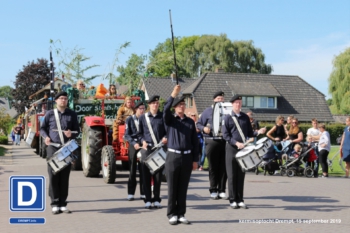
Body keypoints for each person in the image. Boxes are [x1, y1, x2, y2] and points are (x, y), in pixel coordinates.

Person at [222, 95, 266, 209]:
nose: (238, 104)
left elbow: (250, 133)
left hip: (243, 149)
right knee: (231, 175)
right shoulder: (227, 118)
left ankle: (240, 199)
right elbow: (225, 135)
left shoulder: (245, 117)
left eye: (240, 102)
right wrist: (236, 143)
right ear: (232, 104)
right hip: (232, 148)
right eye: (236, 102)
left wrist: (258, 132)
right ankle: (232, 200)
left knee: (241, 175)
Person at [40, 91, 80, 214]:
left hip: (66, 148)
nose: (63, 100)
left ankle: (63, 203)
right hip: (53, 147)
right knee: (53, 175)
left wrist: (71, 133)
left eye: (65, 99)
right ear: (56, 100)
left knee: (64, 176)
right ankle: (54, 203)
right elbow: (42, 128)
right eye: (61, 98)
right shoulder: (50, 114)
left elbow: (77, 131)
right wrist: (45, 137)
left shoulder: (72, 114)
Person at [163, 85, 199, 225]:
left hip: (187, 157)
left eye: (183, 105)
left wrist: (195, 160)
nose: (182, 107)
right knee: (172, 187)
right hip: (173, 157)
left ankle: (181, 213)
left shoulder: (190, 122)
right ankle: (172, 213)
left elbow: (195, 143)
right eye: (179, 105)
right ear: (175, 107)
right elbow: (165, 109)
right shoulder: (170, 120)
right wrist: (173, 94)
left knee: (183, 187)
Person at [196, 91, 227, 200]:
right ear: (214, 100)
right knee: (213, 166)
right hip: (211, 140)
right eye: (218, 98)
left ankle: (222, 190)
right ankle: (213, 189)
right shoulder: (208, 111)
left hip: (224, 140)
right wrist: (203, 128)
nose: (220, 100)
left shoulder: (227, 111)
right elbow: (198, 123)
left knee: (224, 167)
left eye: (222, 99)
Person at [138, 95, 167, 209]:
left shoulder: (162, 117)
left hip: (158, 149)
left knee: (158, 176)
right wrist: (142, 141)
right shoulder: (143, 117)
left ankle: (156, 199)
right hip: (147, 149)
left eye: (157, 103)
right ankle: (148, 200)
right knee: (145, 175)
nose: (155, 105)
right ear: (149, 105)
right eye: (153, 103)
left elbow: (166, 131)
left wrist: (165, 138)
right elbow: (139, 134)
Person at [124, 101, 146, 201]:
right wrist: (134, 143)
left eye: (143, 108)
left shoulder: (146, 119)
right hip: (134, 145)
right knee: (132, 169)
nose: (142, 110)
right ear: (136, 109)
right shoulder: (130, 119)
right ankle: (131, 193)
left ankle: (143, 192)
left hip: (143, 145)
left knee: (143, 169)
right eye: (140, 108)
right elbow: (127, 134)